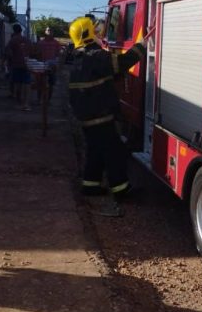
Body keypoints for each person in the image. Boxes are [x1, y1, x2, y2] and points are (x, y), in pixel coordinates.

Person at [68, 16, 147, 211]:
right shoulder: (96, 56)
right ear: (87, 35)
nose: (98, 33)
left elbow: (106, 75)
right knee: (115, 152)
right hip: (101, 116)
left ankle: (90, 185)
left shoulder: (79, 59)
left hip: (86, 118)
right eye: (95, 31)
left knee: (95, 150)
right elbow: (121, 64)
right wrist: (141, 47)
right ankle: (121, 189)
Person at [5, 23, 32, 111]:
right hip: (26, 64)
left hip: (16, 65)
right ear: (21, 30)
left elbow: (9, 53)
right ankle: (26, 104)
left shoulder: (12, 40)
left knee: (17, 84)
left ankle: (20, 103)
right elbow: (32, 51)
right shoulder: (27, 40)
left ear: (14, 31)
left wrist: (9, 62)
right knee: (27, 84)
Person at [38, 27, 61, 100]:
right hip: (42, 65)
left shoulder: (56, 43)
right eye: (48, 30)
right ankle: (39, 99)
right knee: (40, 83)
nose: (49, 32)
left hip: (52, 66)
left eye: (51, 31)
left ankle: (49, 100)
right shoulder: (41, 43)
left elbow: (58, 54)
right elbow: (37, 53)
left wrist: (57, 65)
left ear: (53, 33)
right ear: (45, 32)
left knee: (51, 84)